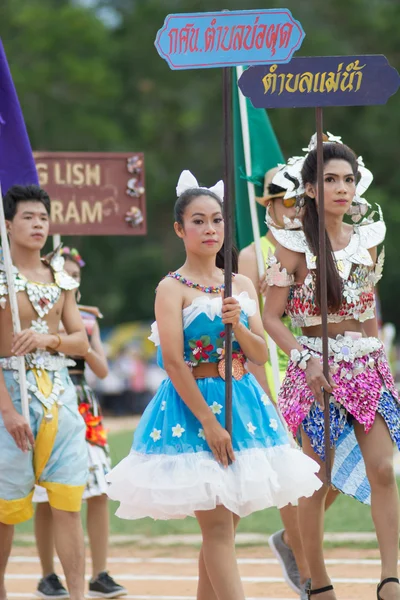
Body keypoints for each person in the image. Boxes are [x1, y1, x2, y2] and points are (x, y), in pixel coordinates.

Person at [106, 170, 323, 600]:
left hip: (244, 404)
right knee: (219, 528)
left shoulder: (240, 284)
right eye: (199, 220)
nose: (210, 229)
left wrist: (238, 326)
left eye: (217, 220)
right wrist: (208, 421)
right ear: (179, 228)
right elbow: (171, 360)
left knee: (223, 528)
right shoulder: (171, 289)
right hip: (195, 409)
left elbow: (260, 353)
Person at [263, 134, 400, 600]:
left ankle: (390, 578)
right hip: (314, 368)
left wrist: (380, 356)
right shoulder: (291, 244)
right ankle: (317, 580)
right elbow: (269, 318)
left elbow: (368, 312)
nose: (342, 188)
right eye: (329, 180)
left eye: (348, 179)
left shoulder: (369, 239)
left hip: (366, 366)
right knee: (316, 480)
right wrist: (305, 358)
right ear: (311, 189)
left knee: (382, 468)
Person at [239, 168, 339, 598]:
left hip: (324, 370)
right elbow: (251, 324)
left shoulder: (318, 247)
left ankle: (289, 539)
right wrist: (262, 388)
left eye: (301, 200)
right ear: (270, 206)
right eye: (286, 201)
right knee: (292, 471)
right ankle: (305, 567)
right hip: (275, 369)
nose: (295, 209)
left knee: (327, 474)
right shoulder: (253, 254)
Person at [0, 185, 89, 600]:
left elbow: (80, 343)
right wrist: (7, 412)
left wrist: (44, 340)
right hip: (11, 399)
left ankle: (77, 594)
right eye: (28, 218)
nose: (37, 225)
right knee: (5, 510)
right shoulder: (1, 278)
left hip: (60, 397)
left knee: (69, 502)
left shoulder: (61, 279)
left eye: (43, 218)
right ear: (8, 224)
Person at [33, 248, 127, 599]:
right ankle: (48, 576)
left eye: (74, 273)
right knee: (46, 494)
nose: (69, 277)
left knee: (99, 488)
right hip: (48, 398)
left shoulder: (87, 319)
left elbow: (102, 370)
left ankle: (100, 573)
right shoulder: (34, 312)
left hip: (83, 403)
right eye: (63, 271)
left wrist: (80, 340)